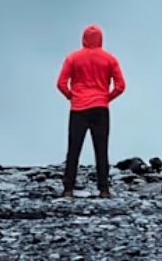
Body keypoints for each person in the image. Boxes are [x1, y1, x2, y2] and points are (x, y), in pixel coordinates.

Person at [56, 24, 125, 198]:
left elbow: (61, 83)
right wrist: (106, 97)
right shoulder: (110, 59)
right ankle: (104, 189)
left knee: (74, 149)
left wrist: (72, 96)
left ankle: (68, 189)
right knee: (101, 149)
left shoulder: (73, 58)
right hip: (100, 109)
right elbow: (120, 86)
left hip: (78, 108)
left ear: (83, 38)